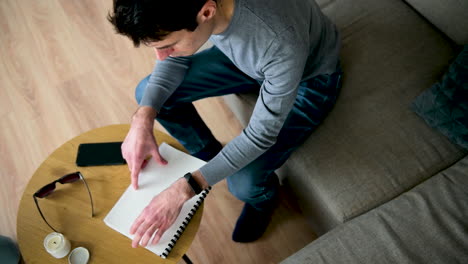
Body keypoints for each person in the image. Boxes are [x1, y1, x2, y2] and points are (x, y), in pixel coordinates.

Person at [108, 0, 342, 248]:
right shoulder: (204, 10)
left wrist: (188, 186)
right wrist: (142, 118)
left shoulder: (279, 41)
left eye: (169, 45)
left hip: (309, 80)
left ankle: (263, 200)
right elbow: (173, 60)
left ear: (207, 12)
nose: (160, 57)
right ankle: (208, 154)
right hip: (252, 62)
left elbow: (259, 137)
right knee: (148, 93)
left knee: (243, 181)